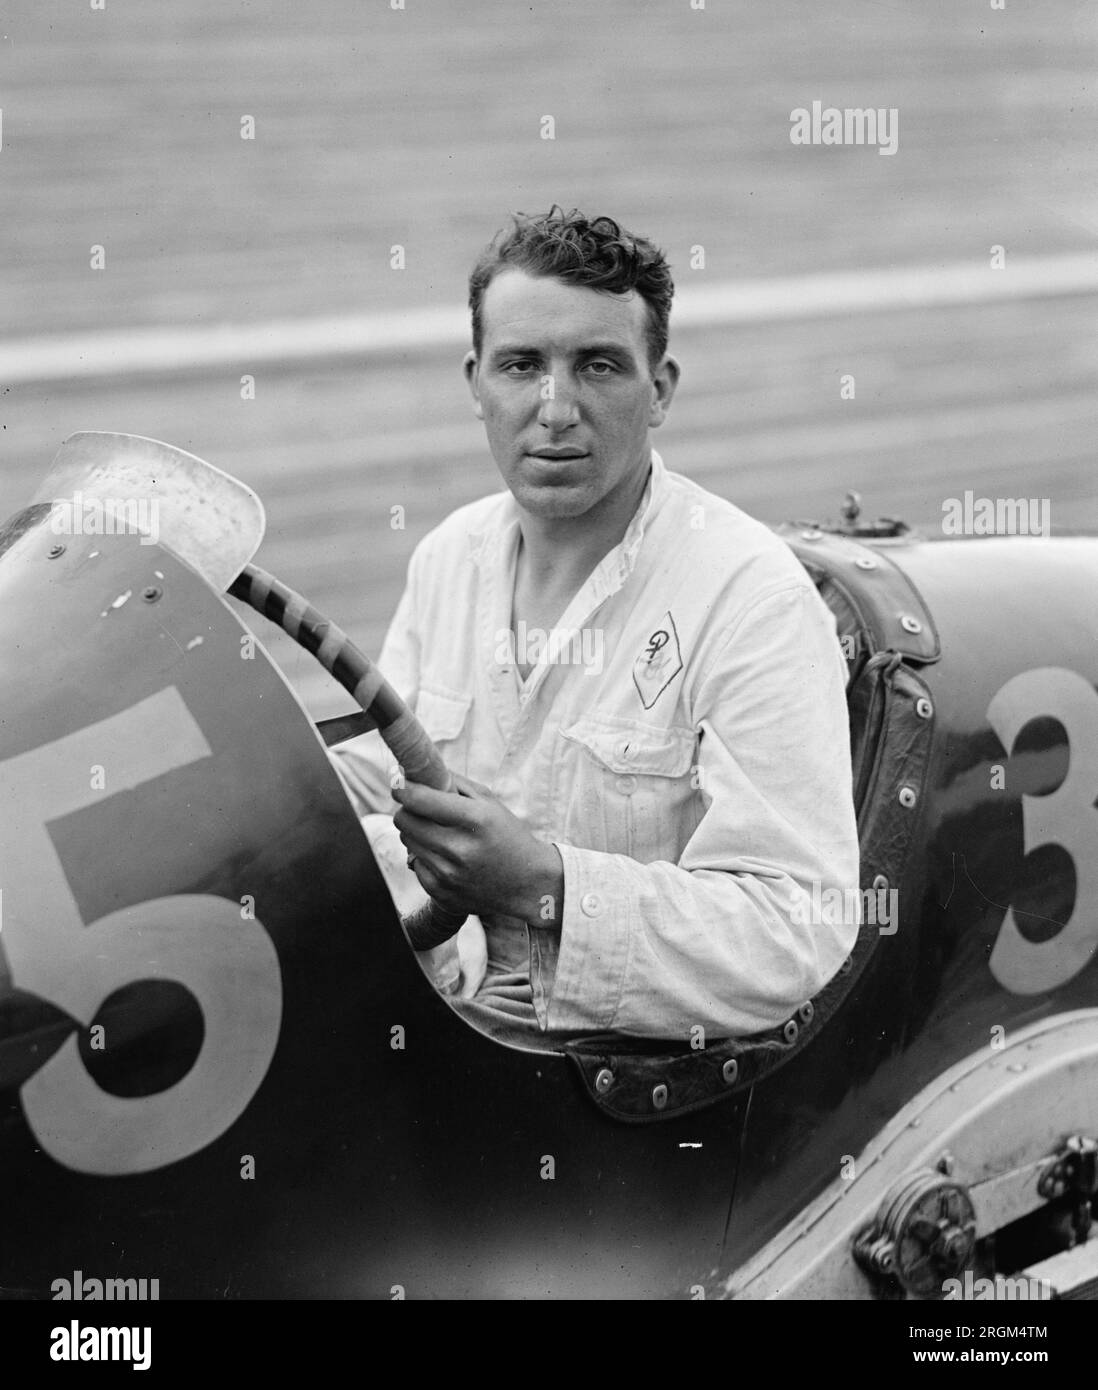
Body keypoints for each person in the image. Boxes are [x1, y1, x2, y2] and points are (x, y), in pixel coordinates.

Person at [331, 207, 860, 1045]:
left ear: (661, 391)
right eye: (521, 365)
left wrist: (546, 884)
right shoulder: (447, 559)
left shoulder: (751, 599)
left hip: (623, 1097)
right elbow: (367, 785)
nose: (555, 409)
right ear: (476, 384)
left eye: (599, 366)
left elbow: (796, 927)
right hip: (440, 1024)